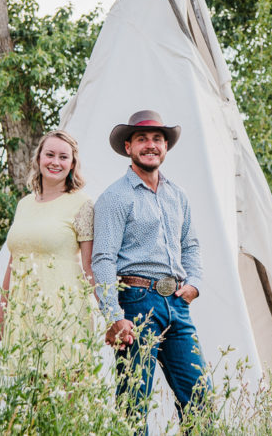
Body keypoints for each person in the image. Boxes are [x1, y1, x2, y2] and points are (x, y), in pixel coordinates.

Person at [92, 109, 210, 431]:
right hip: (136, 303)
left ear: (166, 147)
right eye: (142, 139)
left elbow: (192, 245)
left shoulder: (178, 195)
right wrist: (114, 315)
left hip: (177, 303)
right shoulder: (114, 198)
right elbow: (102, 259)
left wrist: (195, 283)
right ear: (128, 147)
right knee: (134, 401)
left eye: (157, 139)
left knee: (198, 393)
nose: (150, 145)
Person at [0, 130, 95, 368]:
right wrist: (0, 321)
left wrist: (112, 316)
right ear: (38, 158)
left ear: (72, 164)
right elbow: (12, 263)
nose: (55, 162)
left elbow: (90, 267)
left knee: (63, 387)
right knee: (28, 392)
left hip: (63, 309)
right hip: (22, 309)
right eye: (49, 154)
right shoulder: (24, 204)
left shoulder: (82, 203)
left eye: (63, 157)